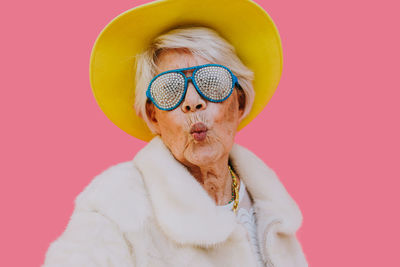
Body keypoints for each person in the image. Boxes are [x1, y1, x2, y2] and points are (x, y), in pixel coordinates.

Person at [42, 0, 308, 266]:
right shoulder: (117, 204)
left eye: (211, 81)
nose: (192, 101)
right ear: (153, 116)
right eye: (169, 89)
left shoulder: (270, 207)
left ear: (239, 102)